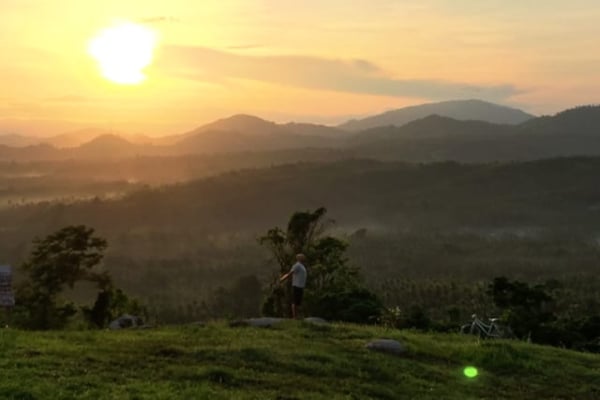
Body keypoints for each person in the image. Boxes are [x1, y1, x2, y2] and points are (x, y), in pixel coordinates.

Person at [279, 253, 307, 319]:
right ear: (299, 258)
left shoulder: (302, 266)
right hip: (296, 285)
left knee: (298, 302)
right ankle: (295, 317)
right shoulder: (297, 265)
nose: (304, 258)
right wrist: (282, 279)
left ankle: (298, 316)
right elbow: (290, 273)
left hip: (301, 286)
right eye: (302, 257)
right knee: (295, 301)